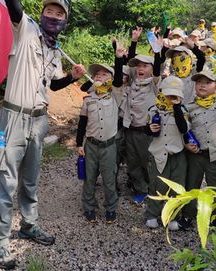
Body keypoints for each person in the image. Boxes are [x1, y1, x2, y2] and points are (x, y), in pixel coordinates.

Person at [0, 0, 87, 269]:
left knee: (30, 180)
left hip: (39, 121)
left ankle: (28, 225)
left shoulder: (55, 50)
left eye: (59, 14)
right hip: (13, 118)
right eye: (50, 11)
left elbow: (52, 85)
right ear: (43, 13)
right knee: (6, 181)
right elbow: (13, 5)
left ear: (64, 21)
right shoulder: (27, 29)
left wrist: (71, 79)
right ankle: (0, 244)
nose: (53, 16)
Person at [179, 68, 216, 230]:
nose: (202, 85)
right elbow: (184, 129)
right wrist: (186, 144)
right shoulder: (189, 107)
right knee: (192, 186)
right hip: (196, 154)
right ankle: (188, 216)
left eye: (207, 82)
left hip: (215, 154)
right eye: (199, 82)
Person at [76, 45, 126, 224]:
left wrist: (119, 58)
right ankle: (89, 207)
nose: (99, 76)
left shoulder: (115, 96)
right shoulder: (88, 100)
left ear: (111, 79)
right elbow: (82, 123)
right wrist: (79, 144)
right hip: (91, 145)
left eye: (105, 74)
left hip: (109, 146)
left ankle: (110, 208)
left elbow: (119, 81)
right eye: (97, 74)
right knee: (89, 179)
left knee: (109, 179)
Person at [144, 76, 189, 230]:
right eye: (168, 94)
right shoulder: (154, 110)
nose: (170, 98)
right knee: (157, 185)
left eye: (174, 94)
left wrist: (176, 107)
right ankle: (151, 214)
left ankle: (173, 216)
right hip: (158, 153)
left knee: (177, 186)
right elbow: (146, 128)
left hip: (177, 154)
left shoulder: (182, 111)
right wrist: (149, 129)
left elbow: (184, 128)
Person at [122, 53, 163, 204]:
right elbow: (129, 65)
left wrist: (158, 51)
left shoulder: (154, 84)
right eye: (138, 66)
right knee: (132, 162)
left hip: (146, 132)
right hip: (130, 129)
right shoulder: (133, 82)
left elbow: (158, 73)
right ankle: (141, 189)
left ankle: (153, 190)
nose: (140, 68)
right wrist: (133, 42)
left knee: (148, 162)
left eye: (145, 66)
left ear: (152, 70)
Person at [164, 37, 206, 103]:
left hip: (190, 109)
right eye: (175, 57)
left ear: (189, 58)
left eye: (180, 55)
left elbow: (201, 59)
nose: (177, 58)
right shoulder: (171, 77)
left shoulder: (194, 73)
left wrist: (193, 47)